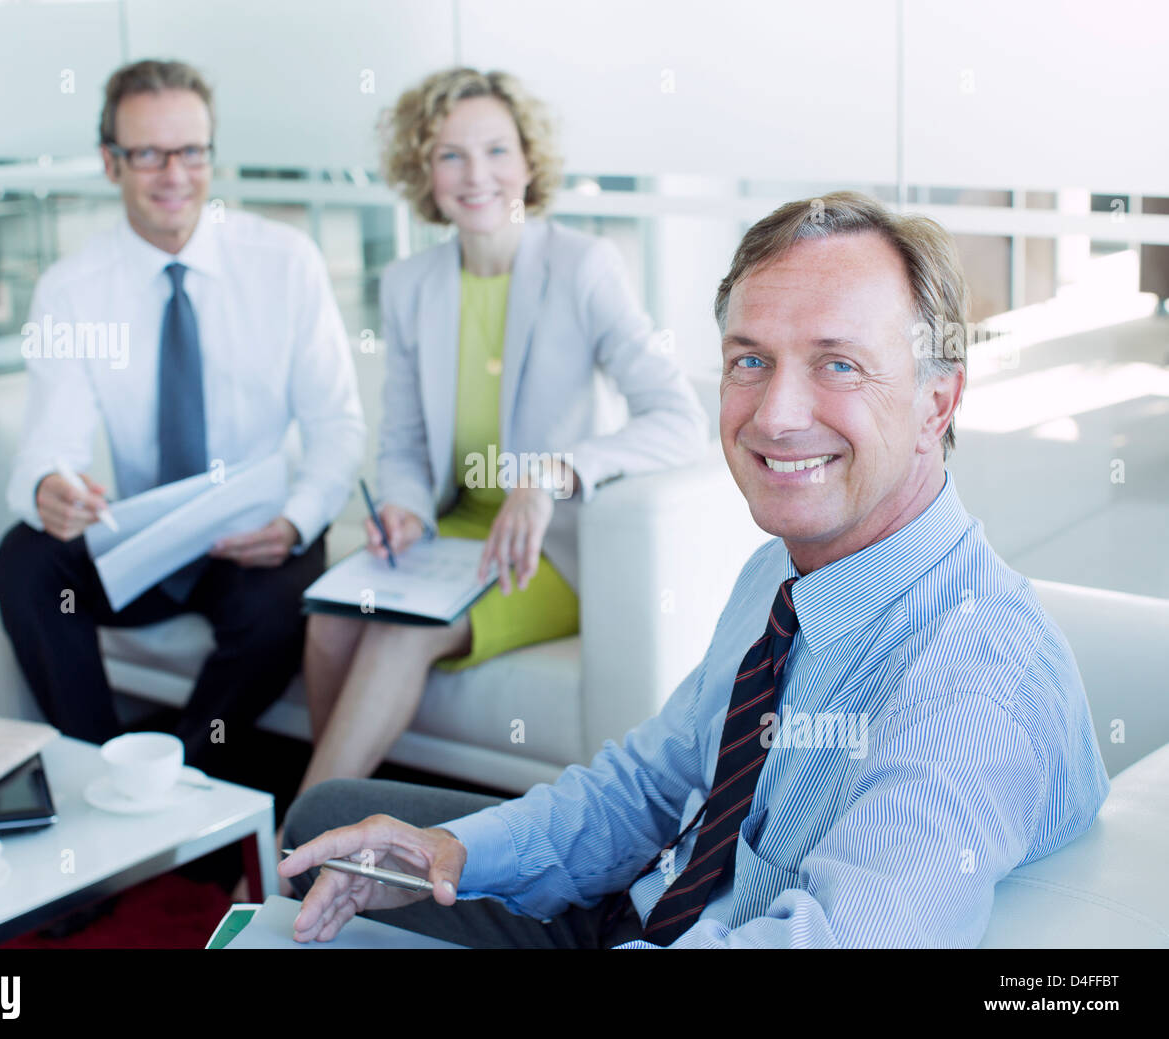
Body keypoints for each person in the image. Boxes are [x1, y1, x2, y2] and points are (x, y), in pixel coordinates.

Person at [277, 191, 1111, 948]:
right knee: (335, 822)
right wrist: (452, 852)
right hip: (640, 904)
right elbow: (647, 785)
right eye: (750, 360)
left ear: (937, 402)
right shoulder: (778, 576)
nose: (777, 416)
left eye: (839, 364)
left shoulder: (975, 680)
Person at [295, 68, 709, 795]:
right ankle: (343, 825)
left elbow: (680, 419)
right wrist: (403, 509)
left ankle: (297, 859)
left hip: (549, 547)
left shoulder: (584, 267)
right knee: (330, 621)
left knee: (401, 628)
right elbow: (403, 445)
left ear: (527, 161)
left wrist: (551, 473)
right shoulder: (410, 284)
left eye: (495, 150)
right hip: (451, 533)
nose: (475, 174)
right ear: (424, 171)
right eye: (450, 154)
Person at [0, 60, 365, 775]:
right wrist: (50, 486)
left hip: (250, 532)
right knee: (25, 562)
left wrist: (294, 521)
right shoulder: (72, 288)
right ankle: (97, 768)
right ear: (110, 163)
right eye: (148, 154)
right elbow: (51, 442)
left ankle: (170, 786)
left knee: (275, 609)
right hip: (144, 535)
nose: (174, 174)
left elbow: (337, 425)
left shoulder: (285, 262)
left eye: (191, 151)